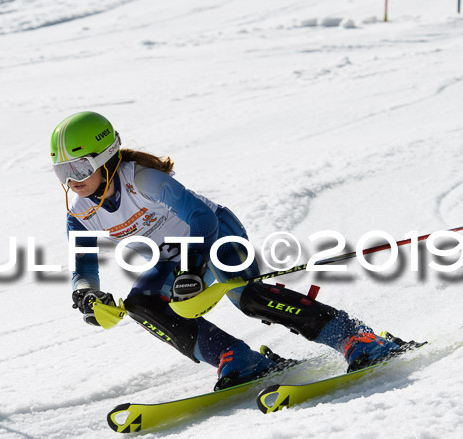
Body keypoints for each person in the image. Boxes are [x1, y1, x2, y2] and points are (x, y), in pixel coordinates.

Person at [51, 111, 407, 390]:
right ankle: (236, 357)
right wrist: (87, 296)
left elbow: (201, 217)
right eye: (62, 171)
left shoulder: (140, 179)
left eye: (79, 167)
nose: (72, 180)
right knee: (141, 304)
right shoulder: (80, 213)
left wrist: (193, 267)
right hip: (172, 259)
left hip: (216, 234)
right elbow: (82, 267)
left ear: (107, 156)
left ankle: (356, 337)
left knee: (244, 294)